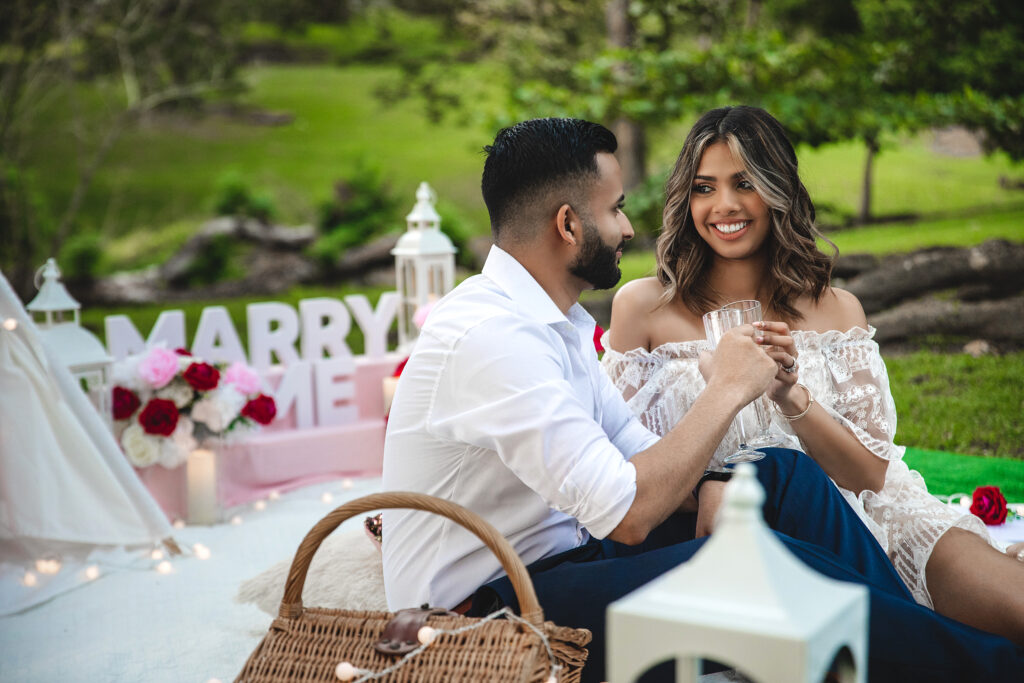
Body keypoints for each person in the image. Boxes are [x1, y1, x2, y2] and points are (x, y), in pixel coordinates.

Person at [381, 117, 1024, 682]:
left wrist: (718, 487)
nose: (630, 226)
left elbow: (637, 457)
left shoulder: (557, 325)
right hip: (489, 614)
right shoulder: (493, 339)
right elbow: (628, 516)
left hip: (567, 562)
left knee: (781, 477)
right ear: (568, 223)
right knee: (763, 570)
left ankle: (910, 657)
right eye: (615, 210)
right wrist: (727, 389)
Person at [604, 105, 1024, 648]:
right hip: (741, 537)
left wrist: (786, 392)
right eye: (704, 187)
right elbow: (629, 472)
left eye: (746, 183)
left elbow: (872, 476)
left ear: (778, 191)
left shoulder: (837, 310)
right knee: (946, 655)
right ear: (686, 199)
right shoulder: (643, 307)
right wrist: (722, 404)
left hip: (879, 521)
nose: (724, 205)